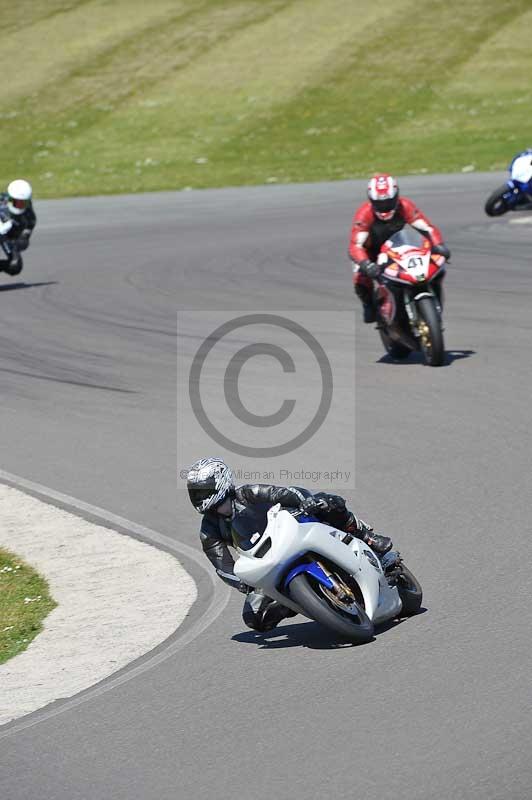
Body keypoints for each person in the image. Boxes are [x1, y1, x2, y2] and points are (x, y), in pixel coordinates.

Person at [186, 457, 392, 632]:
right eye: (195, 493)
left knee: (327, 503)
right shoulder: (209, 530)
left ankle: (366, 536)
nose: (198, 497)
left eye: (201, 491)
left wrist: (306, 502)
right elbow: (222, 567)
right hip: (265, 558)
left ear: (220, 481)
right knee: (254, 618)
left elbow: (285, 494)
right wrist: (243, 584)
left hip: (289, 531)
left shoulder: (250, 493)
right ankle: (292, 603)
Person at [349, 173, 450, 322]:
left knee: (431, 264)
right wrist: (365, 264)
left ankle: (432, 301)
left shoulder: (405, 206)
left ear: (396, 196)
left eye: (389, 202)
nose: (384, 207)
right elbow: (355, 245)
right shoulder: (364, 214)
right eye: (379, 204)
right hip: (371, 252)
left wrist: (439, 245)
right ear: (371, 200)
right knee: (360, 278)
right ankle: (368, 304)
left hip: (399, 246)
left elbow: (427, 228)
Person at [0, 179, 37, 276]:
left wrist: (23, 239)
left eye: (22, 203)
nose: (19, 205)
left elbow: (29, 228)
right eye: (16, 202)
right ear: (9, 197)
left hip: (7, 237)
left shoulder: (29, 214)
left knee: (15, 266)